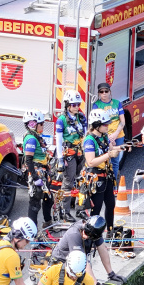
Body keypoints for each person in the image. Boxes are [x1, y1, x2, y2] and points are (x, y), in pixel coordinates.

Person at [49, 215, 124, 283]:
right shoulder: (74, 234)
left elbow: (103, 249)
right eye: (85, 233)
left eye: (89, 236)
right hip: (61, 262)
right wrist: (95, 284)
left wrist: (111, 273)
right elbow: (81, 260)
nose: (85, 237)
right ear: (85, 225)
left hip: (77, 263)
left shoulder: (94, 230)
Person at [81, 108, 120, 229]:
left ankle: (110, 230)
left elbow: (110, 148)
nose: (108, 125)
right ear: (97, 125)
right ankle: (92, 234)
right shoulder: (89, 141)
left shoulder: (104, 136)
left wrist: (122, 148)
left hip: (107, 176)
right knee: (96, 207)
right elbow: (91, 162)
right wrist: (108, 155)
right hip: (96, 178)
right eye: (105, 124)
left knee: (110, 204)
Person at [55, 90, 86, 221]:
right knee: (67, 184)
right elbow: (59, 140)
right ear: (67, 105)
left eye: (78, 104)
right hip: (69, 155)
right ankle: (64, 211)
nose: (76, 107)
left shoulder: (80, 117)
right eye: (74, 105)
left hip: (81, 154)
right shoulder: (61, 120)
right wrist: (60, 159)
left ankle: (80, 209)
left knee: (83, 181)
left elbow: (85, 135)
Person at [23, 109, 53, 229]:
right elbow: (28, 160)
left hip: (43, 173)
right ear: (33, 124)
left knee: (48, 199)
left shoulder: (37, 137)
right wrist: (35, 177)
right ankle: (32, 231)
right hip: (37, 172)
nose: (43, 126)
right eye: (41, 124)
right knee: (35, 204)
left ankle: (48, 222)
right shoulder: (31, 139)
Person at [90, 82, 125, 175]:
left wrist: (116, 134)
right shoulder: (96, 105)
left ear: (110, 92)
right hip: (105, 135)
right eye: (101, 92)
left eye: (106, 91)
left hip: (118, 135)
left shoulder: (117, 103)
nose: (104, 93)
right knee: (103, 158)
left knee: (115, 160)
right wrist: (108, 137)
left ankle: (114, 181)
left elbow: (122, 121)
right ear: (99, 93)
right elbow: (96, 124)